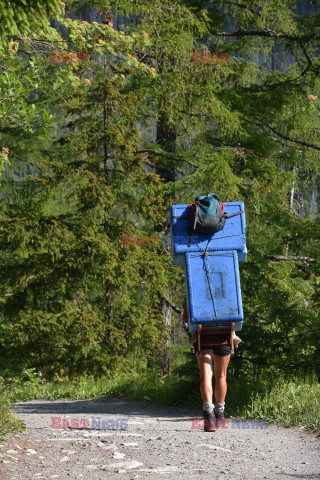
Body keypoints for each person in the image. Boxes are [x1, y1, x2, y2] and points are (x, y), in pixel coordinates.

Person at [183, 300, 232, 432]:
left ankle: (209, 416)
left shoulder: (195, 287)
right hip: (224, 334)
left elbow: (186, 318)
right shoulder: (224, 287)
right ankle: (220, 414)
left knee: (206, 374)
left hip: (203, 335)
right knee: (221, 375)